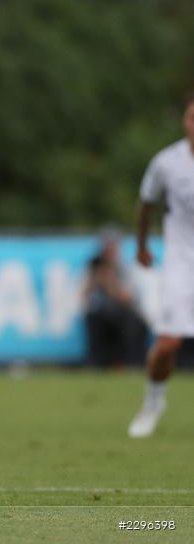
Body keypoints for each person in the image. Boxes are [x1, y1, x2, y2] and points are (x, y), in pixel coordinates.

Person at [127, 92, 194, 438]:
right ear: (185, 121)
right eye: (191, 118)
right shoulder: (167, 162)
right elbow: (146, 203)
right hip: (181, 264)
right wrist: (141, 245)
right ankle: (153, 403)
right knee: (168, 344)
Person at [82, 229, 148, 368]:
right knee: (94, 319)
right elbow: (83, 295)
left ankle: (130, 363)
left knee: (132, 323)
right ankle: (97, 363)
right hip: (101, 314)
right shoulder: (94, 267)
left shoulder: (125, 267)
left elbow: (129, 298)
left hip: (122, 313)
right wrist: (94, 280)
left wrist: (110, 283)